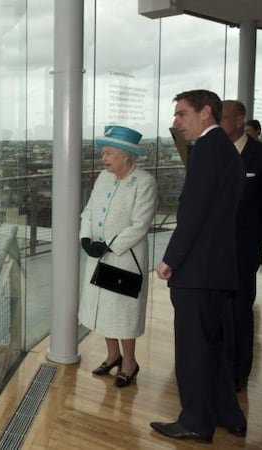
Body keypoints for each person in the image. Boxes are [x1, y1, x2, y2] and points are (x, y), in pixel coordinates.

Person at [150, 90, 248, 443]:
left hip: (198, 270)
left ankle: (195, 421)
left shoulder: (207, 151)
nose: (176, 123)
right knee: (214, 346)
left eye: (181, 115)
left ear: (205, 113)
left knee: (193, 350)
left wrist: (170, 260)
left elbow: (194, 213)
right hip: (218, 268)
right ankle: (227, 413)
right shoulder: (227, 149)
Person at [78, 125, 157, 388]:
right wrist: (86, 237)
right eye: (104, 153)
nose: (104, 158)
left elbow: (140, 224)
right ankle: (112, 356)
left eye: (109, 153)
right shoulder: (103, 177)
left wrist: (110, 246)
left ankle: (130, 363)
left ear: (126, 155)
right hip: (98, 256)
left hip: (124, 258)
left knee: (122, 312)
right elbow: (88, 210)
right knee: (103, 310)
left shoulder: (144, 182)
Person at [220, 100, 262, 392]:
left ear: (238, 121)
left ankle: (238, 371)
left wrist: (253, 242)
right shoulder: (210, 154)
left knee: (238, 312)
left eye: (221, 118)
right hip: (210, 252)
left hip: (242, 251)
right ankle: (216, 364)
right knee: (213, 311)